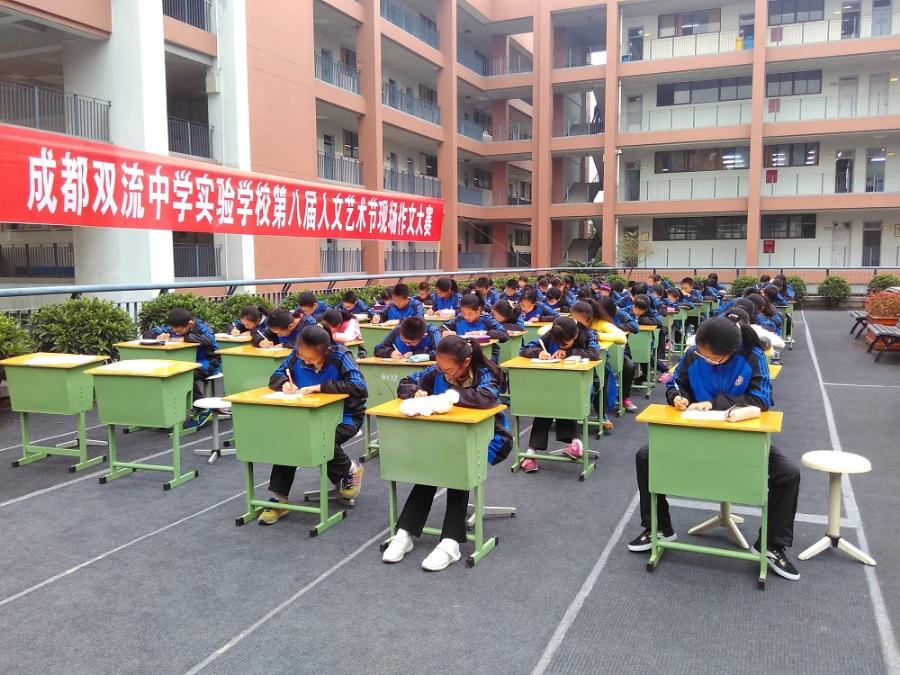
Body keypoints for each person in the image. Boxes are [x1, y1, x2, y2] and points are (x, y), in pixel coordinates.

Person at [628, 315, 801, 581]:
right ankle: (659, 528)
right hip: (695, 432)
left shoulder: (753, 356)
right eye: (702, 354)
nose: (705, 359)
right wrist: (677, 397)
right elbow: (675, 383)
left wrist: (714, 403)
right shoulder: (693, 354)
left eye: (712, 357)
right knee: (646, 457)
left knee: (787, 473)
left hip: (741, 436)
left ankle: (772, 545)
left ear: (729, 352)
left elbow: (762, 399)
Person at [381, 336, 512, 571]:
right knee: (433, 468)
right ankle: (405, 533)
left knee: (457, 466)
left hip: (490, 437)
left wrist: (447, 397)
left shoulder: (487, 373)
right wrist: (415, 392)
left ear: (466, 362)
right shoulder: (438, 370)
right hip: (445, 437)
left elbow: (485, 398)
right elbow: (406, 382)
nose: (445, 374)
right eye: (441, 368)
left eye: (449, 370)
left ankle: (451, 541)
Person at [257, 326, 367, 525]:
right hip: (305, 417)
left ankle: (350, 470)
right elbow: (275, 377)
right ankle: (279, 500)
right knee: (289, 440)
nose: (305, 361)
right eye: (303, 357)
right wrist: (284, 383)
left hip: (345, 417)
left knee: (318, 438)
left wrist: (319, 387)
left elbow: (359, 387)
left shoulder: (341, 356)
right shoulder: (296, 355)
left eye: (312, 358)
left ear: (326, 351)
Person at [518, 317, 601, 472]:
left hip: (584, 385)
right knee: (551, 401)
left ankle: (531, 452)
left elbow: (595, 353)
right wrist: (539, 353)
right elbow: (524, 349)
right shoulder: (552, 333)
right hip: (554, 384)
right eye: (558, 343)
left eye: (565, 343)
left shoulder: (587, 334)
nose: (560, 346)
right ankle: (575, 443)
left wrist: (568, 352)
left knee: (555, 402)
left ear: (575, 335)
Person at [142, 308, 220, 429]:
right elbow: (148, 333)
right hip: (182, 362)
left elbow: (210, 339)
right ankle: (168, 412)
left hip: (207, 362)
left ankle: (202, 409)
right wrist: (158, 336)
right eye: (174, 330)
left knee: (184, 375)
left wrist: (184, 338)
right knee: (165, 375)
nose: (175, 333)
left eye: (178, 331)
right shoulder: (173, 326)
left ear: (190, 323)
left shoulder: (201, 327)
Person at [599, 296, 640, 413]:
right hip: (600, 350)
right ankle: (601, 402)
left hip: (619, 349)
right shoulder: (594, 315)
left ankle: (625, 397)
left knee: (629, 366)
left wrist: (614, 327)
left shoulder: (619, 313)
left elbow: (635, 327)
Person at [441, 293, 509, 361]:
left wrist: (482, 333)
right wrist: (444, 332)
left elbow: (504, 334)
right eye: (464, 313)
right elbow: (442, 328)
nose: (466, 317)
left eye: (470, 314)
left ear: (478, 310)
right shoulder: (459, 319)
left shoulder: (487, 319)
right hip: (464, 356)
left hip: (486, 357)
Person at [373, 316, 441, 360]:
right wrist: (390, 353)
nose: (407, 344)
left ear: (423, 336)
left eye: (412, 342)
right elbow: (378, 349)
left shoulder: (433, 332)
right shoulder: (397, 330)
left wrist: (415, 354)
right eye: (404, 341)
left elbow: (440, 354)